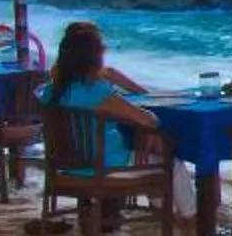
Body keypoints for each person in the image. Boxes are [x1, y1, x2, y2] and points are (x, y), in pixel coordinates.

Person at [42, 21, 160, 166]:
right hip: (106, 167)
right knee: (172, 162)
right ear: (95, 57)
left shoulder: (49, 91)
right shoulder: (96, 91)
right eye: (102, 48)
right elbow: (148, 120)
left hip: (66, 169)